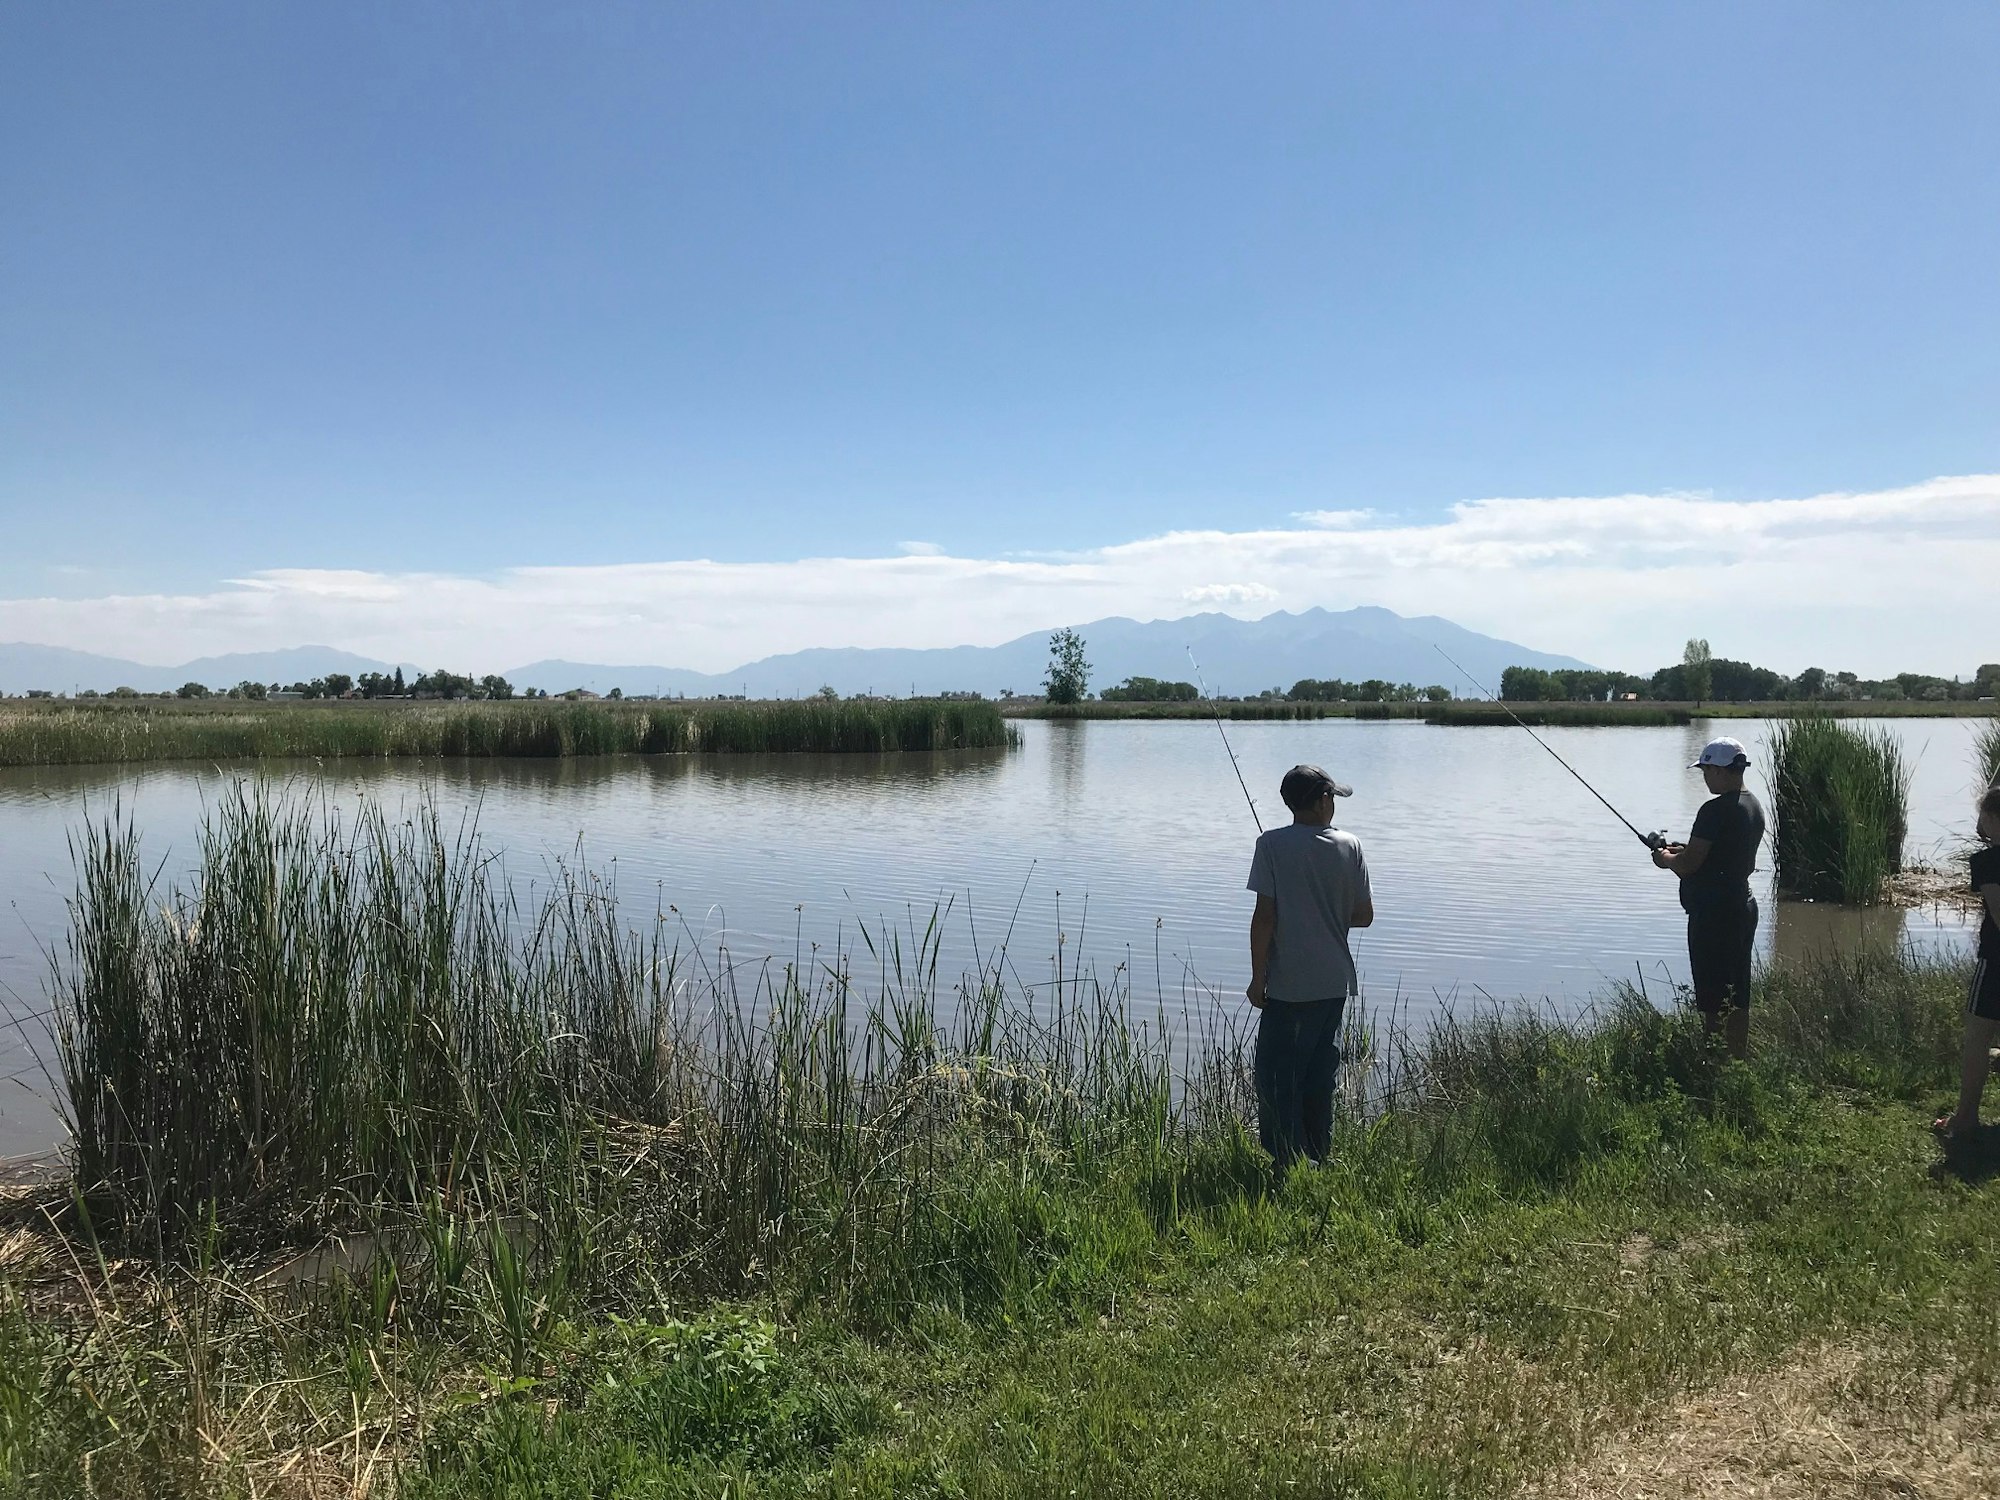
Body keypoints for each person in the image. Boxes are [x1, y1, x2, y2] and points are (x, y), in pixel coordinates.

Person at [1246, 763, 1374, 1170]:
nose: (1332, 804)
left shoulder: (1270, 846)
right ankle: (1318, 1155)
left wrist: (1257, 978)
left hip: (1289, 984)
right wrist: (1326, 913)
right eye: (1332, 797)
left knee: (1277, 1073)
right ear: (1322, 801)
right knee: (1320, 1073)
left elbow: (1264, 917)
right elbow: (1364, 915)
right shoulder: (1351, 846)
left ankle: (1286, 1161)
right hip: (1335, 981)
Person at [1652, 735, 1766, 1058]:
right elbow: (1726, 856)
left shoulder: (1713, 811)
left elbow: (1688, 866)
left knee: (1713, 998)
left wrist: (1664, 858)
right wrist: (1684, 850)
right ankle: (1737, 1058)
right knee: (1738, 992)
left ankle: (1714, 1062)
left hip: (1714, 916)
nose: (1704, 777)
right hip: (1743, 907)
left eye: (1706, 770)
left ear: (1720, 770)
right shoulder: (1753, 805)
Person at [1934, 786, 2000, 1142]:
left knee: (1978, 1034)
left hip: (1996, 960)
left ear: (1990, 819)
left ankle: (1966, 1117)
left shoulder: (1989, 862)